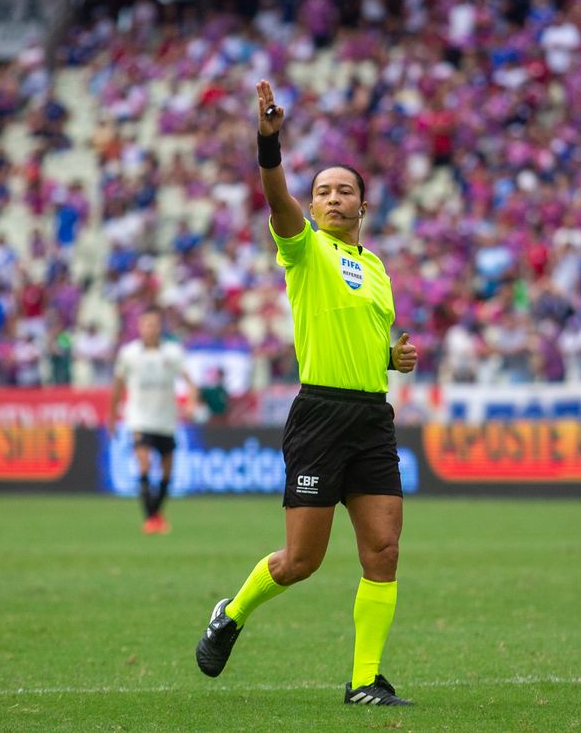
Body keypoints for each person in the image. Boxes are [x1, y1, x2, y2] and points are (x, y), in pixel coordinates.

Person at [194, 80, 419, 706]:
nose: (333, 198)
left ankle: (366, 681)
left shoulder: (376, 268)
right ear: (313, 205)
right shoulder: (304, 248)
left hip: (371, 416)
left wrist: (392, 358)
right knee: (301, 562)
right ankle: (231, 614)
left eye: (345, 190)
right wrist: (270, 146)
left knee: (384, 548)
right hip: (319, 415)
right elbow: (276, 198)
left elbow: (365, 340)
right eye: (323, 190)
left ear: (362, 206)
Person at [110, 308, 195, 535]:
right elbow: (117, 386)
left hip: (166, 420)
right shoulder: (128, 353)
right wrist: (111, 417)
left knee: (167, 472)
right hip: (139, 418)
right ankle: (151, 518)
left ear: (161, 327)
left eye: (154, 324)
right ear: (140, 327)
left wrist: (191, 403)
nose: (150, 329)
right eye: (146, 324)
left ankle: (156, 515)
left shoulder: (172, 353)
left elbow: (190, 381)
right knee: (144, 463)